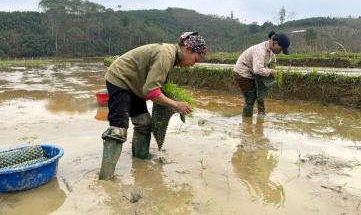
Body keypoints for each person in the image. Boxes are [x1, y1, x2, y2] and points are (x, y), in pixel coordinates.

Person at [99, 32, 208, 180]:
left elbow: (153, 87)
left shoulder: (172, 56)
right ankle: (105, 178)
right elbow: (151, 92)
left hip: (136, 83)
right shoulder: (166, 55)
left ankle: (140, 162)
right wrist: (176, 105)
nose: (194, 64)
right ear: (188, 49)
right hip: (120, 78)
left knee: (144, 123)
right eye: (195, 59)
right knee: (118, 130)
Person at [233, 31, 290, 117]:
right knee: (250, 99)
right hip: (242, 72)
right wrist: (271, 71)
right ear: (275, 43)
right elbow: (257, 69)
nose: (281, 51)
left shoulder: (271, 50)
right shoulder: (260, 50)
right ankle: (247, 123)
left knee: (260, 95)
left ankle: (261, 115)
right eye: (281, 49)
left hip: (251, 72)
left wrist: (273, 67)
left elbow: (273, 61)